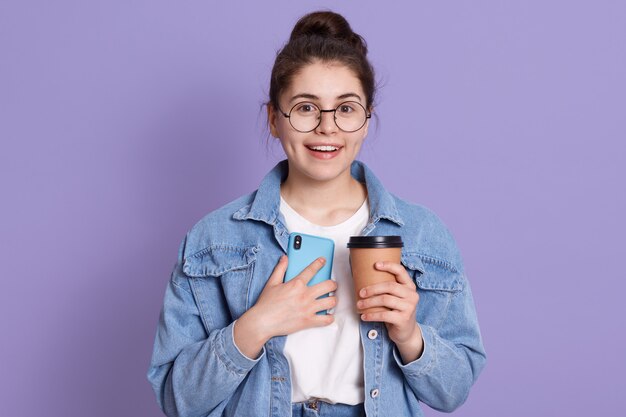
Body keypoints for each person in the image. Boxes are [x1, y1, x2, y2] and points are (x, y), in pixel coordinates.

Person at [147, 10, 486, 417]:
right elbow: (176, 398)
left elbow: (455, 390)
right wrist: (254, 326)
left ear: (366, 120)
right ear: (274, 119)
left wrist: (411, 336)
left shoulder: (422, 235)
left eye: (346, 109)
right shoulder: (213, 239)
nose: (327, 127)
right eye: (306, 108)